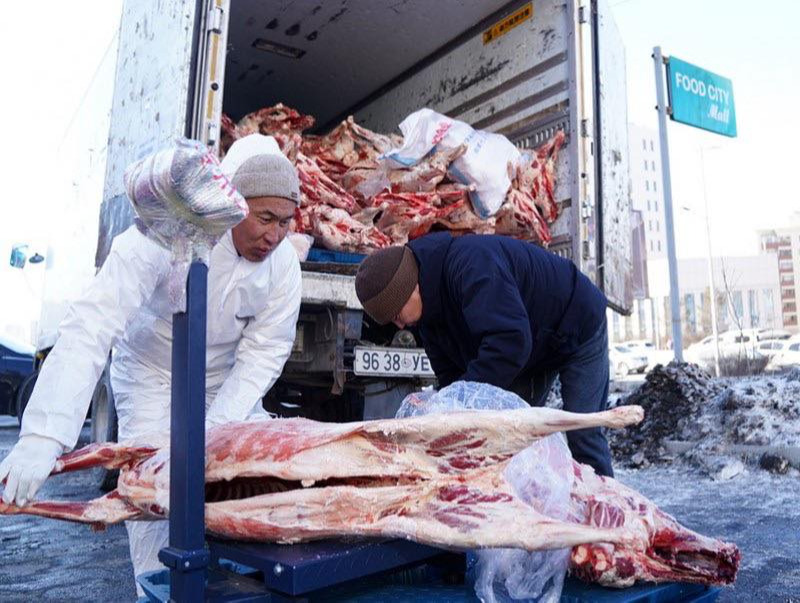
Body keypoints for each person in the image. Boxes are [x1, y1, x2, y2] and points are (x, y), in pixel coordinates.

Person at [0, 134, 302, 591]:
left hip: (223, 387)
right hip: (150, 375)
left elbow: (265, 351)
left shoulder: (284, 267)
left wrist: (215, 427)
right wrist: (44, 435)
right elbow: (93, 324)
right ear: (235, 202)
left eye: (285, 222)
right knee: (156, 500)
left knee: (248, 488)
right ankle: (156, 593)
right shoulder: (168, 231)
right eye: (264, 219)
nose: (275, 236)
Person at [354, 231, 614, 477]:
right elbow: (450, 375)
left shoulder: (472, 265)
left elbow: (509, 342)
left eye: (397, 315)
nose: (399, 326)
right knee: (509, 437)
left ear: (411, 288)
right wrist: (448, 415)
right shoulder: (428, 317)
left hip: (577, 324)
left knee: (583, 431)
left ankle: (606, 504)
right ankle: (524, 502)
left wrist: (466, 402)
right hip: (532, 344)